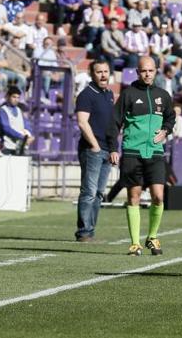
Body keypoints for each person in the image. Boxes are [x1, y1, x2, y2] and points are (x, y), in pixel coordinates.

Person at [108, 56, 175, 256]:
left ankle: (152, 237)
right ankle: (135, 243)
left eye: (151, 71)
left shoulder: (163, 95)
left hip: (155, 153)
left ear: (156, 72)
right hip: (132, 152)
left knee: (158, 196)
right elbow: (114, 122)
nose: (147, 74)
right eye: (143, 71)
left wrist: (165, 131)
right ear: (138, 72)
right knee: (133, 197)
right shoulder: (128, 94)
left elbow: (170, 117)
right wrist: (113, 148)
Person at [74, 60, 115, 243]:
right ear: (92, 74)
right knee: (89, 192)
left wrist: (113, 149)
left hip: (107, 150)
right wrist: (95, 145)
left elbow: (112, 124)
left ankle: (90, 231)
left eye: (106, 71)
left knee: (99, 193)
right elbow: (82, 122)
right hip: (93, 150)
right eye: (99, 72)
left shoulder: (109, 94)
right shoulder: (86, 95)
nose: (103, 75)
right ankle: (84, 232)